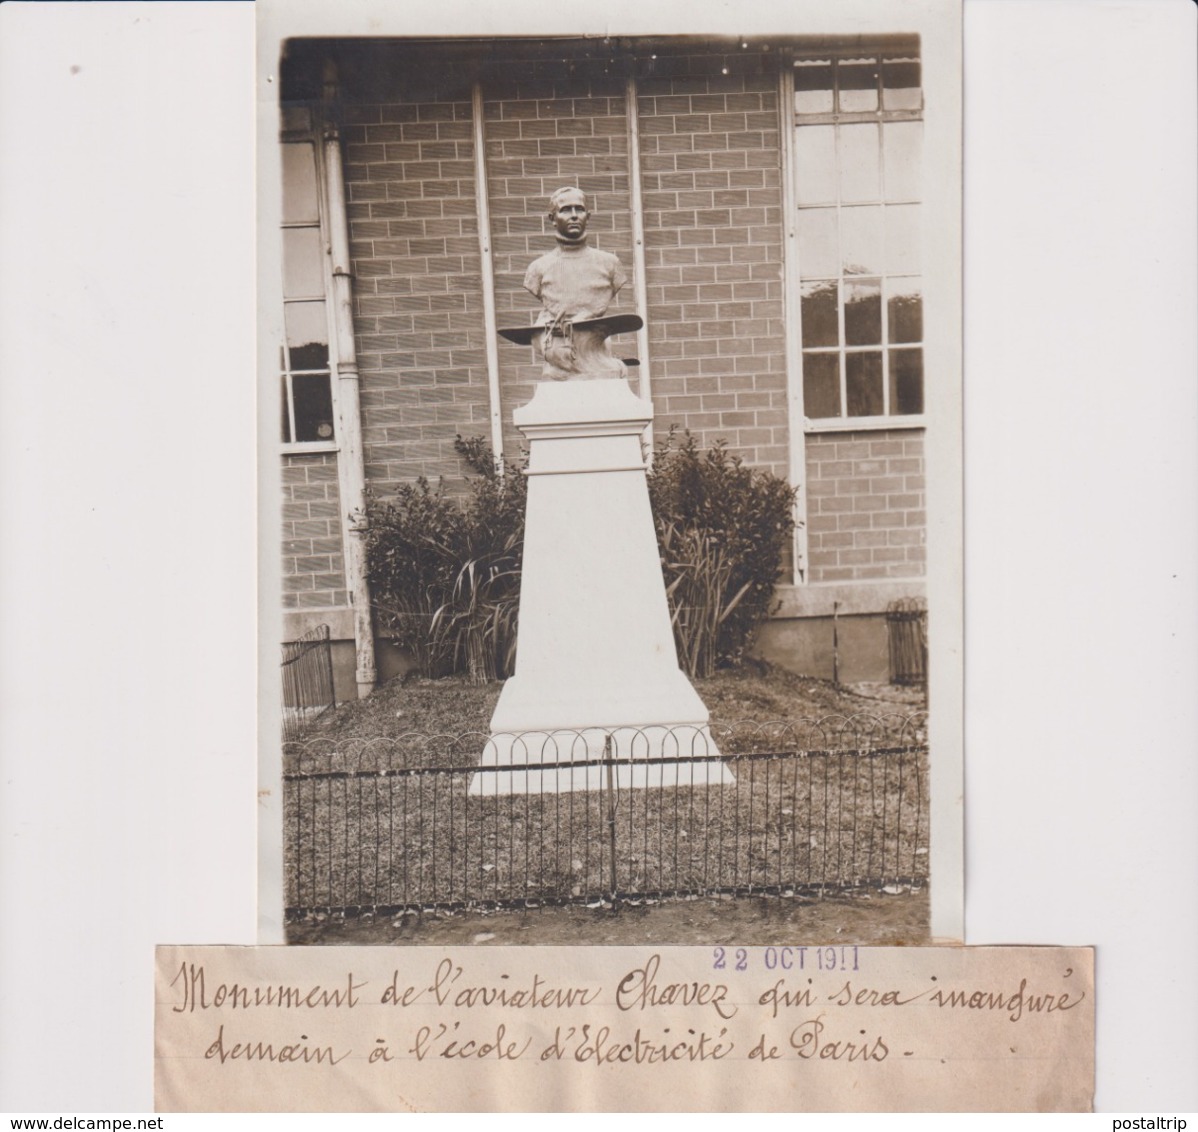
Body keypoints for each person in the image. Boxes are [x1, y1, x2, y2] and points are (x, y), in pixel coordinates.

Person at [520, 187, 631, 379]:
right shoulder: (538, 268)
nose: (573, 216)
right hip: (557, 348)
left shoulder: (610, 264)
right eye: (565, 210)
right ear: (552, 218)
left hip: (596, 349)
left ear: (588, 216)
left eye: (578, 209)